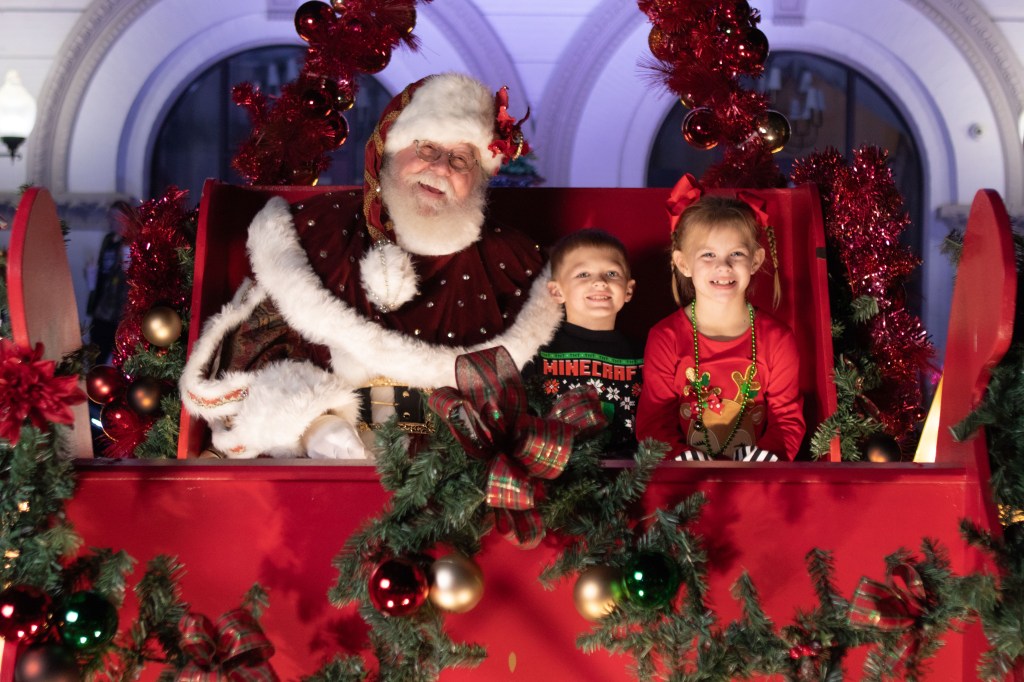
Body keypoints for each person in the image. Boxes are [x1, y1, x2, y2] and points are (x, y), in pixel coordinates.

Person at [180, 73, 563, 458]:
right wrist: (313, 427)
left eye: (460, 158)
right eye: (427, 148)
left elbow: (548, 393)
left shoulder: (515, 265)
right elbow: (249, 363)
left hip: (458, 477)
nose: (440, 167)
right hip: (322, 474)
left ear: (478, 178)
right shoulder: (315, 234)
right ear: (389, 150)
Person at [635, 181, 804, 461]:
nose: (723, 266)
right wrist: (685, 462)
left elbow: (787, 421)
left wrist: (762, 461)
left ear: (755, 260)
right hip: (683, 481)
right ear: (683, 263)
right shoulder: (666, 337)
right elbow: (654, 423)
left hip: (757, 479)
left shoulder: (778, 339)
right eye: (708, 255)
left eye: (736, 254)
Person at [523, 229, 643, 456]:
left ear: (628, 290)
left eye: (612, 273)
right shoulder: (537, 352)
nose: (600, 282)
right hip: (557, 469)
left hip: (629, 470)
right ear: (557, 291)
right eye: (583, 274)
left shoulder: (644, 353)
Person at [86, 201, 131, 363]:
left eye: (116, 217)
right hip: (102, 309)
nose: (111, 221)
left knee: (121, 359)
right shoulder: (108, 240)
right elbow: (102, 272)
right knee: (96, 356)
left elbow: (128, 275)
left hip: (120, 312)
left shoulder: (130, 243)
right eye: (110, 217)